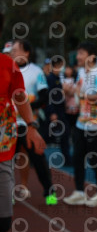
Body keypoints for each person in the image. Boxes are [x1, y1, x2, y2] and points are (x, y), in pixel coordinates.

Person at [1, 50, 46, 232]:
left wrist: (31, 126)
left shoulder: (8, 65)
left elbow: (20, 97)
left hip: (3, 146)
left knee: (3, 221)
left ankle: (47, 191)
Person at [63, 42, 97, 207]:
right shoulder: (82, 72)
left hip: (95, 126)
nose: (78, 57)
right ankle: (79, 192)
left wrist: (82, 94)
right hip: (80, 123)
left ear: (91, 56)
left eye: (81, 53)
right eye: (78, 53)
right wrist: (68, 90)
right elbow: (77, 94)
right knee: (77, 158)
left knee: (96, 160)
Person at [9, 40, 56, 205]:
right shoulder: (8, 69)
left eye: (15, 50)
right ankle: (7, 194)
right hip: (9, 125)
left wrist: (26, 107)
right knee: (7, 161)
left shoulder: (36, 71)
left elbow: (44, 97)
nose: (12, 53)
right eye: (11, 51)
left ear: (26, 52)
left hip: (30, 125)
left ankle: (50, 194)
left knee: (38, 159)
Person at [45, 56, 72, 165]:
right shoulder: (50, 79)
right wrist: (52, 112)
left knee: (64, 135)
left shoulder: (58, 78)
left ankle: (67, 158)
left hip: (61, 110)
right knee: (47, 135)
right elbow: (48, 97)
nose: (61, 69)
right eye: (60, 66)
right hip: (55, 111)